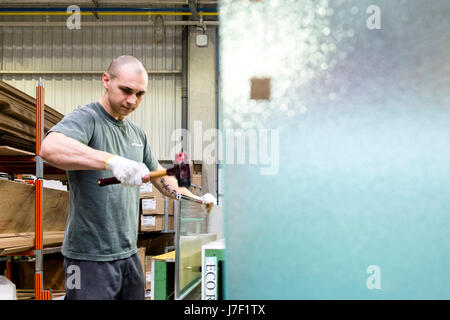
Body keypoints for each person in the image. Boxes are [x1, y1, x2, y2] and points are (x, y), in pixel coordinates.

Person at [40, 55, 216, 300]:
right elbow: (49, 147)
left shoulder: (137, 134)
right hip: (89, 258)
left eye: (140, 94)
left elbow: (160, 178)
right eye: (126, 90)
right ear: (106, 81)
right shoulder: (87, 118)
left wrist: (195, 199)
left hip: (128, 253)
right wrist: (111, 161)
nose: (132, 100)